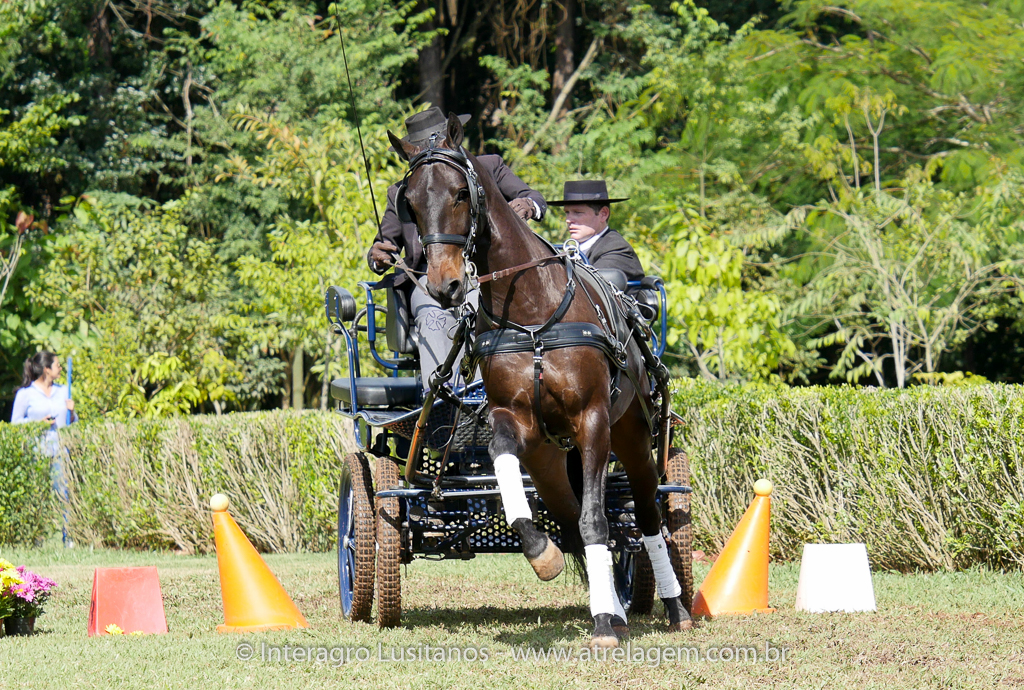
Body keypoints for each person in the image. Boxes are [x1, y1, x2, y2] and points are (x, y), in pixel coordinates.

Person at [367, 107, 547, 389]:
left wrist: (528, 205)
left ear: (451, 140)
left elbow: (533, 196)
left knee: (482, 310)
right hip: (428, 280)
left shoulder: (489, 167)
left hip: (485, 276)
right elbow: (384, 243)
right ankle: (442, 403)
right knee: (434, 317)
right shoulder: (401, 191)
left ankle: (496, 394)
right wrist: (378, 256)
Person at [11, 350, 77, 547]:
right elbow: (14, 424)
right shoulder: (26, 394)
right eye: (57, 365)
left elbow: (73, 423)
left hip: (60, 450)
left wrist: (72, 412)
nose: (60, 368)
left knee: (64, 494)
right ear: (46, 369)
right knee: (36, 497)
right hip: (36, 452)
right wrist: (37, 423)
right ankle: (35, 541)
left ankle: (69, 539)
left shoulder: (65, 391)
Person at [548, 179, 644, 282]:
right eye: (567, 212)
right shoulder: (569, 250)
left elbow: (589, 286)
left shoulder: (617, 248)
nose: (568, 220)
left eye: (578, 212)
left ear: (603, 214)